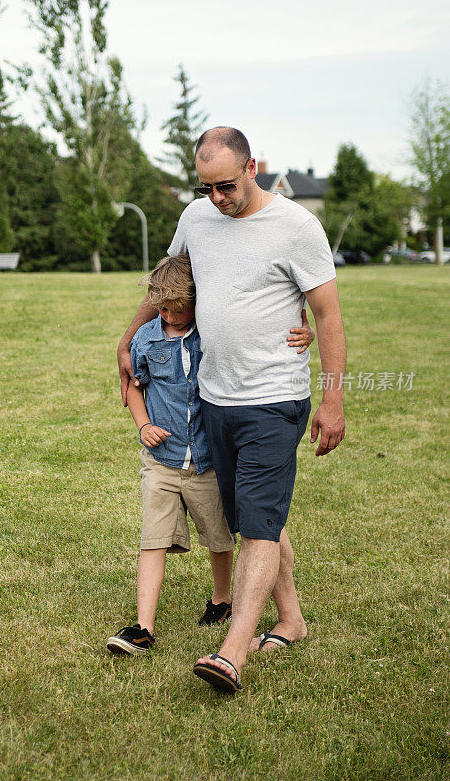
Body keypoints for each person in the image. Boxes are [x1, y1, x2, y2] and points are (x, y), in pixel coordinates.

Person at [117, 127, 346, 692]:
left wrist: (334, 395)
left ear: (250, 169)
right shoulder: (196, 217)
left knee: (259, 527)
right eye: (206, 187)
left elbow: (328, 315)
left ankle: (232, 650)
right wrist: (127, 339)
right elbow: (164, 287)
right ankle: (291, 620)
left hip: (274, 399)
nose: (216, 198)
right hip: (214, 400)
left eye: (225, 186)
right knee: (253, 517)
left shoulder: (296, 226)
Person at [108, 254, 314, 656]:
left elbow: (260, 336)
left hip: (206, 460)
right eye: (162, 308)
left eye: (178, 309)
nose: (169, 316)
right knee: (152, 540)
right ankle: (142, 626)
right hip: (162, 461)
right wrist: (143, 424)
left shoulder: (213, 334)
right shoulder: (147, 339)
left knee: (220, 538)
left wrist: (305, 333)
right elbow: (134, 384)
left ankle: (222, 601)